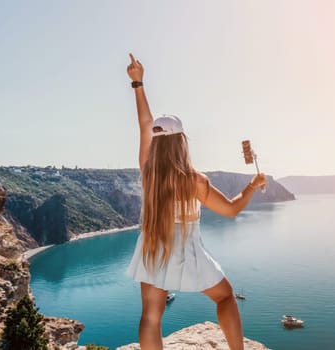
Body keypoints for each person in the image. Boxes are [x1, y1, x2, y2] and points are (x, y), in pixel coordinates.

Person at [124, 53, 267, 350]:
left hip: (153, 246)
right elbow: (230, 209)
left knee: (151, 317)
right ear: (181, 141)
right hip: (187, 250)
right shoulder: (194, 180)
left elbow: (144, 123)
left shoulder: (147, 169)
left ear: (157, 142)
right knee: (225, 297)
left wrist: (138, 82)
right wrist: (252, 185)